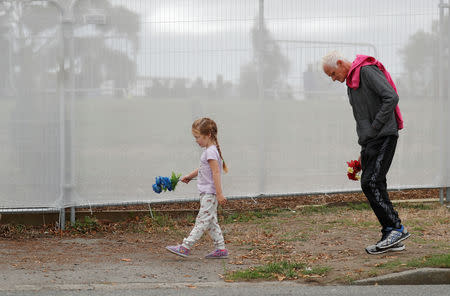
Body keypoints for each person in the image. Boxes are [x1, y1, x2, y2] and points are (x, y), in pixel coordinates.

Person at [322, 51, 410, 255]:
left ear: (342, 63)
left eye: (333, 74)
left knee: (370, 182)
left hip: (385, 135)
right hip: (372, 141)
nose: (334, 79)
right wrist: (363, 152)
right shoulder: (351, 86)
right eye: (331, 77)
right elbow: (363, 120)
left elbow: (391, 97)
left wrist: (375, 128)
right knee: (375, 183)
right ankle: (391, 233)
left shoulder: (366, 71)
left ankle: (396, 229)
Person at [166, 117, 229, 259]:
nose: (196, 140)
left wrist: (219, 194)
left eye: (198, 137)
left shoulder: (211, 152)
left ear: (208, 135)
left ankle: (185, 247)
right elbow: (202, 168)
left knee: (201, 221)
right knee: (211, 222)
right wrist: (189, 176)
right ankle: (221, 249)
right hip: (207, 193)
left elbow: (216, 172)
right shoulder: (209, 150)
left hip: (210, 194)